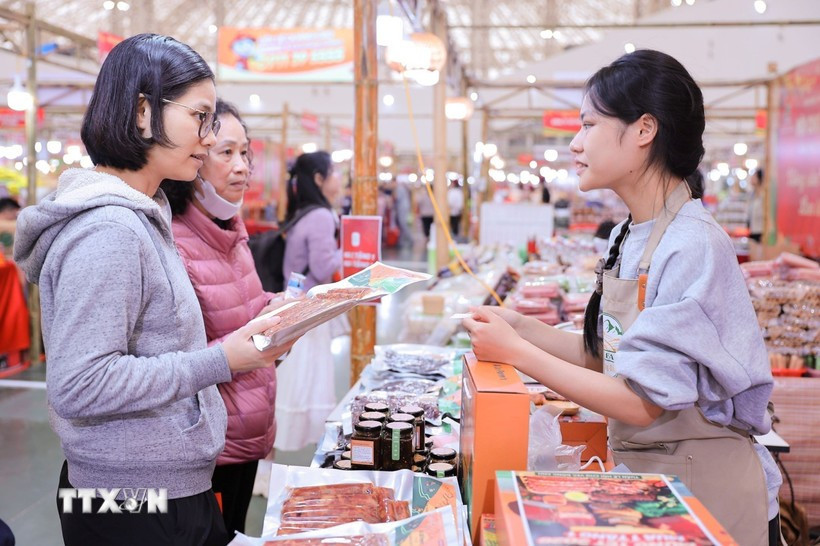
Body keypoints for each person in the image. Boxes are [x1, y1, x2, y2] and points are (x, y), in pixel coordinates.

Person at [464, 50, 781, 545]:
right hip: (650, 479)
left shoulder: (693, 244)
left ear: (643, 130)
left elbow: (641, 401)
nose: (575, 143)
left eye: (588, 125)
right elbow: (609, 355)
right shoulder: (628, 234)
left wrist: (517, 353)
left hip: (705, 492)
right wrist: (522, 327)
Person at [13, 34, 293, 546]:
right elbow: (80, 383)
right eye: (200, 118)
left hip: (159, 484)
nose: (208, 139)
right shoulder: (109, 231)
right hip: (127, 496)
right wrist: (223, 359)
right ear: (143, 113)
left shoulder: (147, 215)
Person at [160, 99, 281, 535]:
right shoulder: (174, 243)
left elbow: (238, 312)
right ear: (194, 156)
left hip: (248, 433)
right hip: (212, 444)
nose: (242, 166)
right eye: (225, 152)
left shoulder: (233, 231)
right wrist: (240, 351)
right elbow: (172, 361)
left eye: (245, 152)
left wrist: (280, 312)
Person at [274, 151, 343, 451]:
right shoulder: (321, 216)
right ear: (319, 178)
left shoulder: (305, 212)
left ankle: (270, 463)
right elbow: (323, 266)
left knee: (290, 385)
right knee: (301, 384)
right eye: (335, 171)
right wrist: (353, 249)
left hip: (294, 305)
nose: (340, 178)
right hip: (309, 311)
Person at [748, 169, 765, 242]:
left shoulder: (764, 196)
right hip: (752, 230)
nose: (751, 178)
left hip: (761, 231)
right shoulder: (752, 195)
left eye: (754, 176)